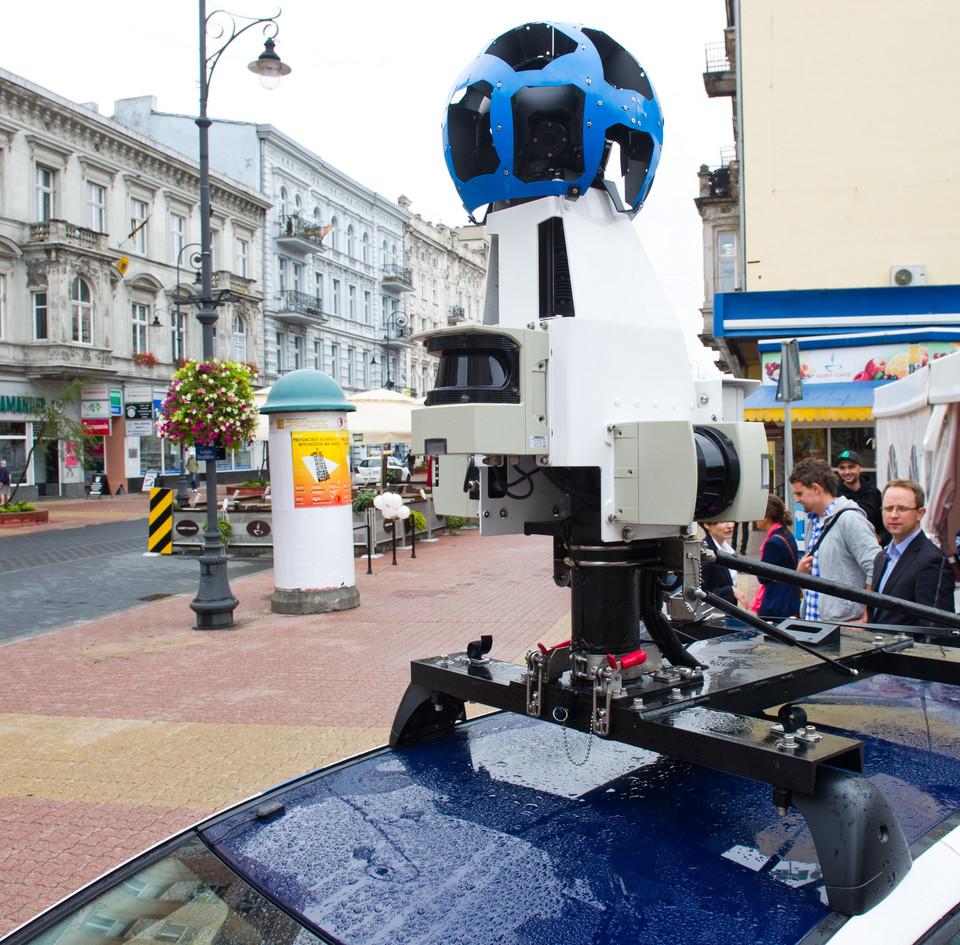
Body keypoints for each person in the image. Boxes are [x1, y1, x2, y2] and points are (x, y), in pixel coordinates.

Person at [790, 457, 880, 623]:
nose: (796, 500)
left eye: (799, 493)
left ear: (816, 489)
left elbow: (876, 567)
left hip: (841, 629)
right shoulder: (812, 520)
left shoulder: (850, 520)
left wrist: (867, 618)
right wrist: (800, 576)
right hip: (817, 625)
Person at [869, 479, 955, 625]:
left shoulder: (932, 560)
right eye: (888, 508)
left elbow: (935, 629)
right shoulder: (881, 558)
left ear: (920, 513)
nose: (894, 515)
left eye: (902, 509)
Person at [750, 494, 802, 619]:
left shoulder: (773, 542)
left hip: (777, 602)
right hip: (789, 597)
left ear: (766, 517)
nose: (754, 519)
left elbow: (762, 577)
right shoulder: (786, 533)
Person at [835, 449, 889, 545]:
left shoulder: (874, 493)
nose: (847, 472)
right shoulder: (834, 495)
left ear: (860, 468)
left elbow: (886, 523)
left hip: (872, 549)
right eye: (842, 468)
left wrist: (881, 539)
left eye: (851, 467)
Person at [701, 521, 748, 608]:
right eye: (722, 522)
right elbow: (699, 593)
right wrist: (730, 591)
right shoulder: (705, 553)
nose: (730, 526)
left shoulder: (726, 550)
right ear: (706, 524)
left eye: (731, 520)